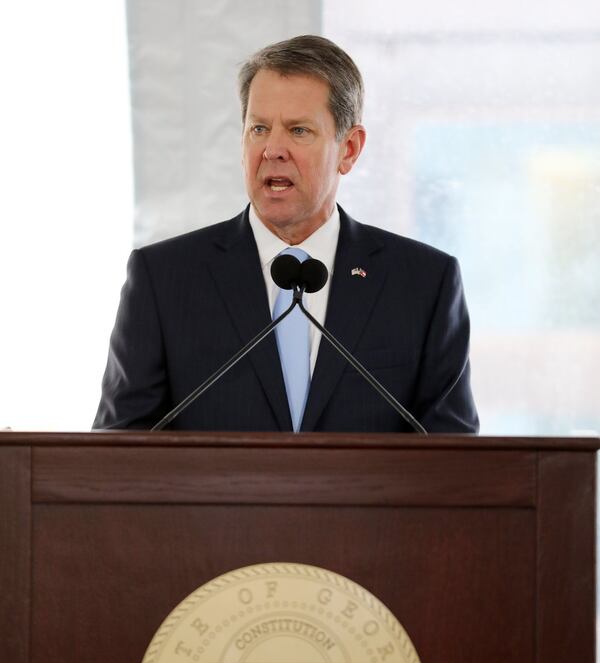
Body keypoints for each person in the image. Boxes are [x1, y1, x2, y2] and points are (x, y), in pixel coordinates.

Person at [93, 35, 478, 433]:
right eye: (259, 128)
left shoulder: (423, 284)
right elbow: (117, 453)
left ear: (348, 148)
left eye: (298, 131)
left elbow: (457, 465)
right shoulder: (164, 280)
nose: (272, 149)